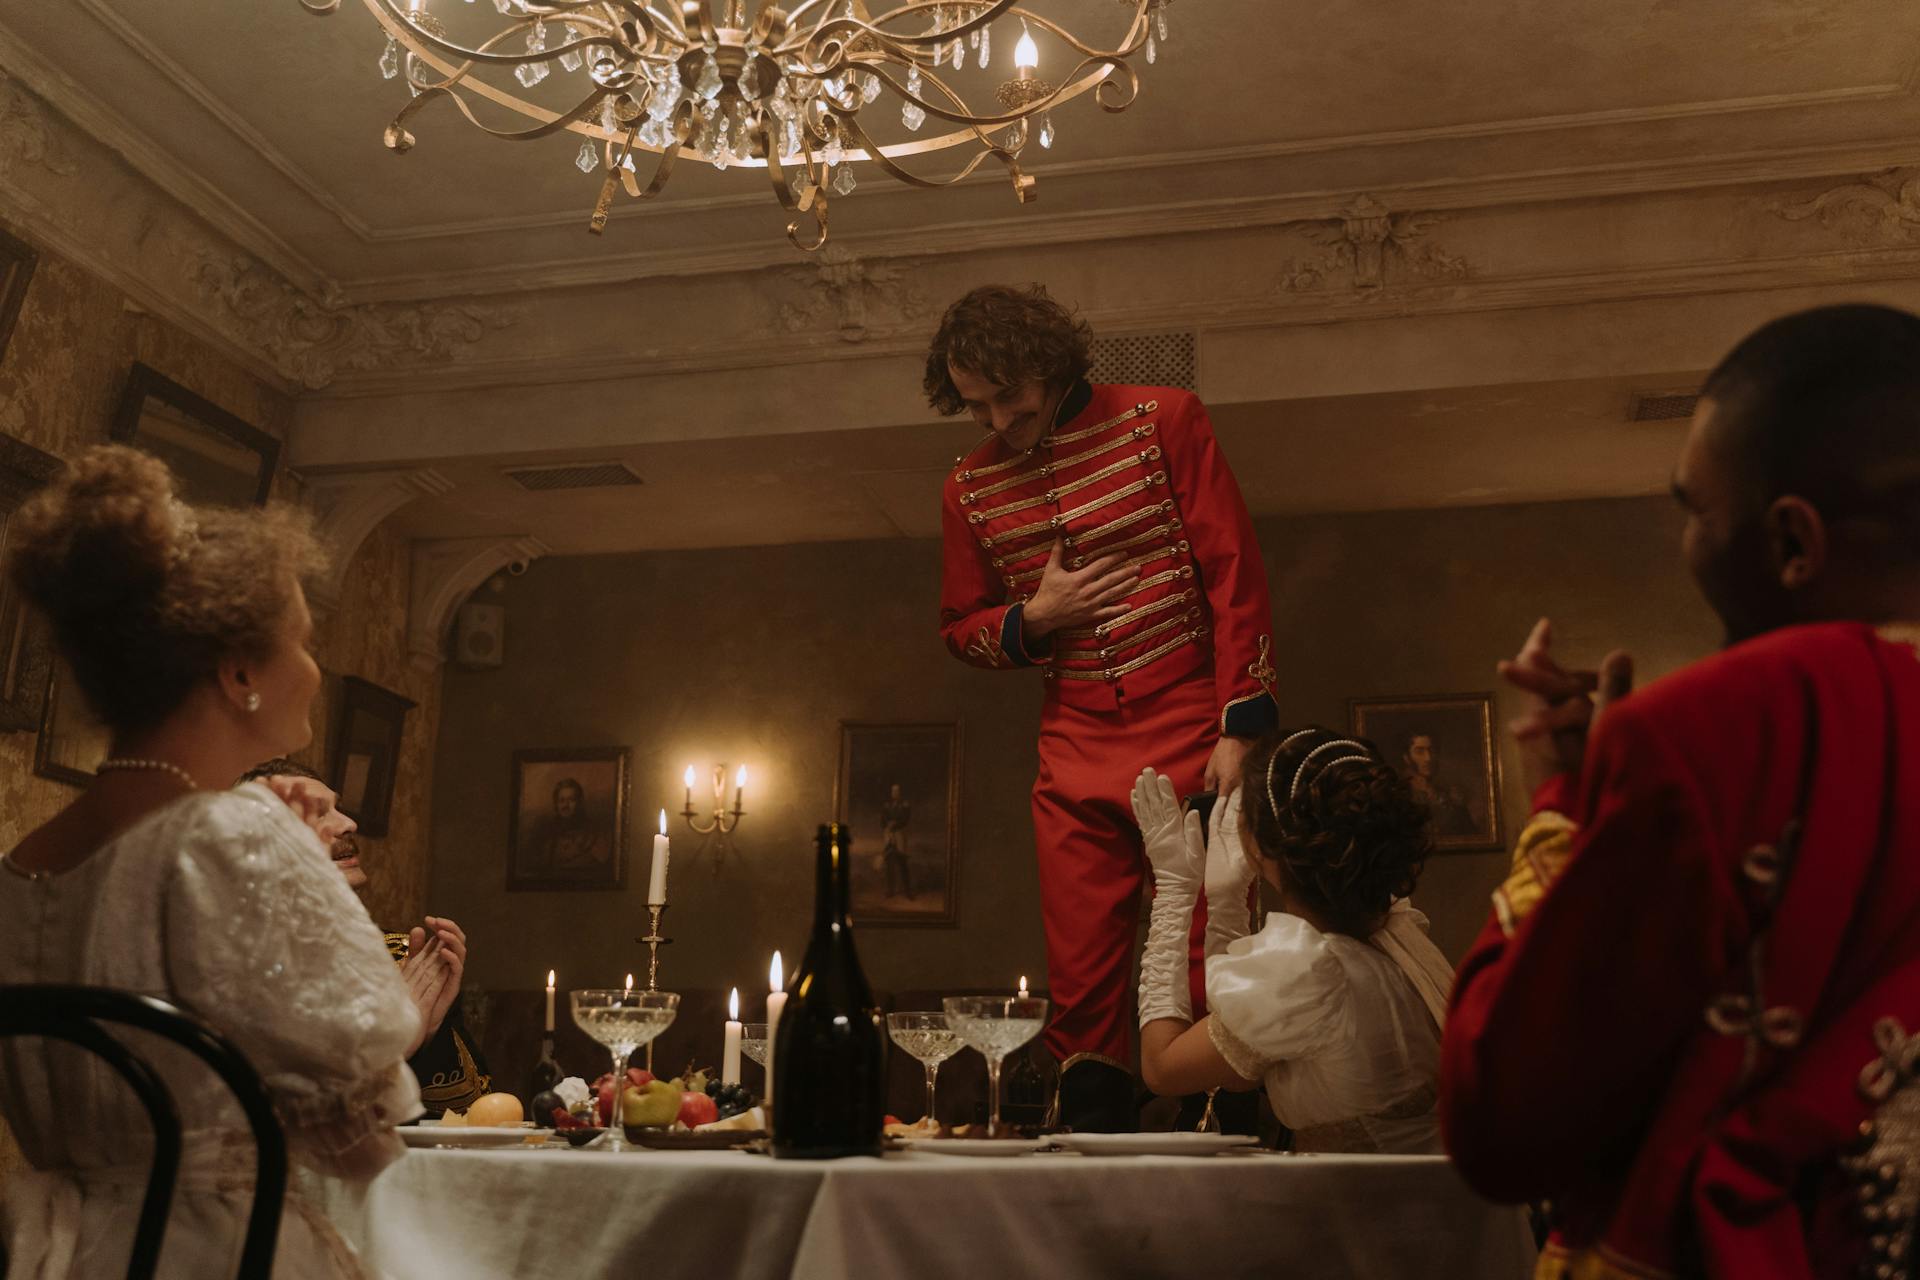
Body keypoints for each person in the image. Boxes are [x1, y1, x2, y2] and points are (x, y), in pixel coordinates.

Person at [1441, 304, 1920, 1279]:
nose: (1689, 544)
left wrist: (1565, 806)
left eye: (1695, 510)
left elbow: (1505, 1116)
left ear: (1793, 539)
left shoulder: (1719, 732)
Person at [0, 446, 428, 1278]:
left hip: (47, 1254)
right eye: (303, 643)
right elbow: (362, 1130)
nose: (314, 671)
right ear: (239, 674)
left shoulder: (18, 863)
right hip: (207, 1253)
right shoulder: (231, 836)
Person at [929, 283, 1279, 1129]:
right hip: (1074, 740)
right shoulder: (967, 488)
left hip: (1190, 716)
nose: (997, 426)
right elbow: (958, 627)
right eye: (976, 408)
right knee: (1079, 969)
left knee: (1204, 941)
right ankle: (1089, 1143)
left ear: (1052, 368)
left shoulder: (1164, 418)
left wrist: (1239, 724)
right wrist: (1034, 620)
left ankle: (1214, 1131)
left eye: (1010, 400)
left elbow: (1232, 568)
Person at [1129, 729, 1454, 1152]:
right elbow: (1235, 1067)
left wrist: (1173, 892)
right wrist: (1227, 904)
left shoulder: (1310, 970)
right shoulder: (1396, 934)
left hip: (1368, 1210)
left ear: (1261, 847)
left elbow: (1162, 1068)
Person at [240, 758, 494, 1117]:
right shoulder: (236, 962)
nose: (349, 823)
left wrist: (430, 1036)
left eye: (338, 807)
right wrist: (390, 1046)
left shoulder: (402, 958)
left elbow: (473, 1114)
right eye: (319, 813)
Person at [1399, 730, 1475, 837]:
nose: (1428, 758)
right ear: (1406, 757)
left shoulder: (1449, 795)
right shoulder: (1398, 793)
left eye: (1432, 750)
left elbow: (1469, 836)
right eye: (1419, 752)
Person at [534, 777, 607, 874]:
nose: (565, 806)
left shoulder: (594, 832)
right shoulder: (548, 833)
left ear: (580, 803)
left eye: (571, 800)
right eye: (561, 800)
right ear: (556, 804)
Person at [880, 783, 912, 899]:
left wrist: (894, 824)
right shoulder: (886, 805)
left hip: (899, 836)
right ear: (891, 793)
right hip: (888, 836)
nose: (895, 793)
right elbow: (882, 820)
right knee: (889, 863)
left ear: (900, 793)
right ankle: (890, 891)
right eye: (893, 791)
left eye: (897, 791)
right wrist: (888, 826)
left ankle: (907, 891)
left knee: (902, 863)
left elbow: (905, 819)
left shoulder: (905, 805)